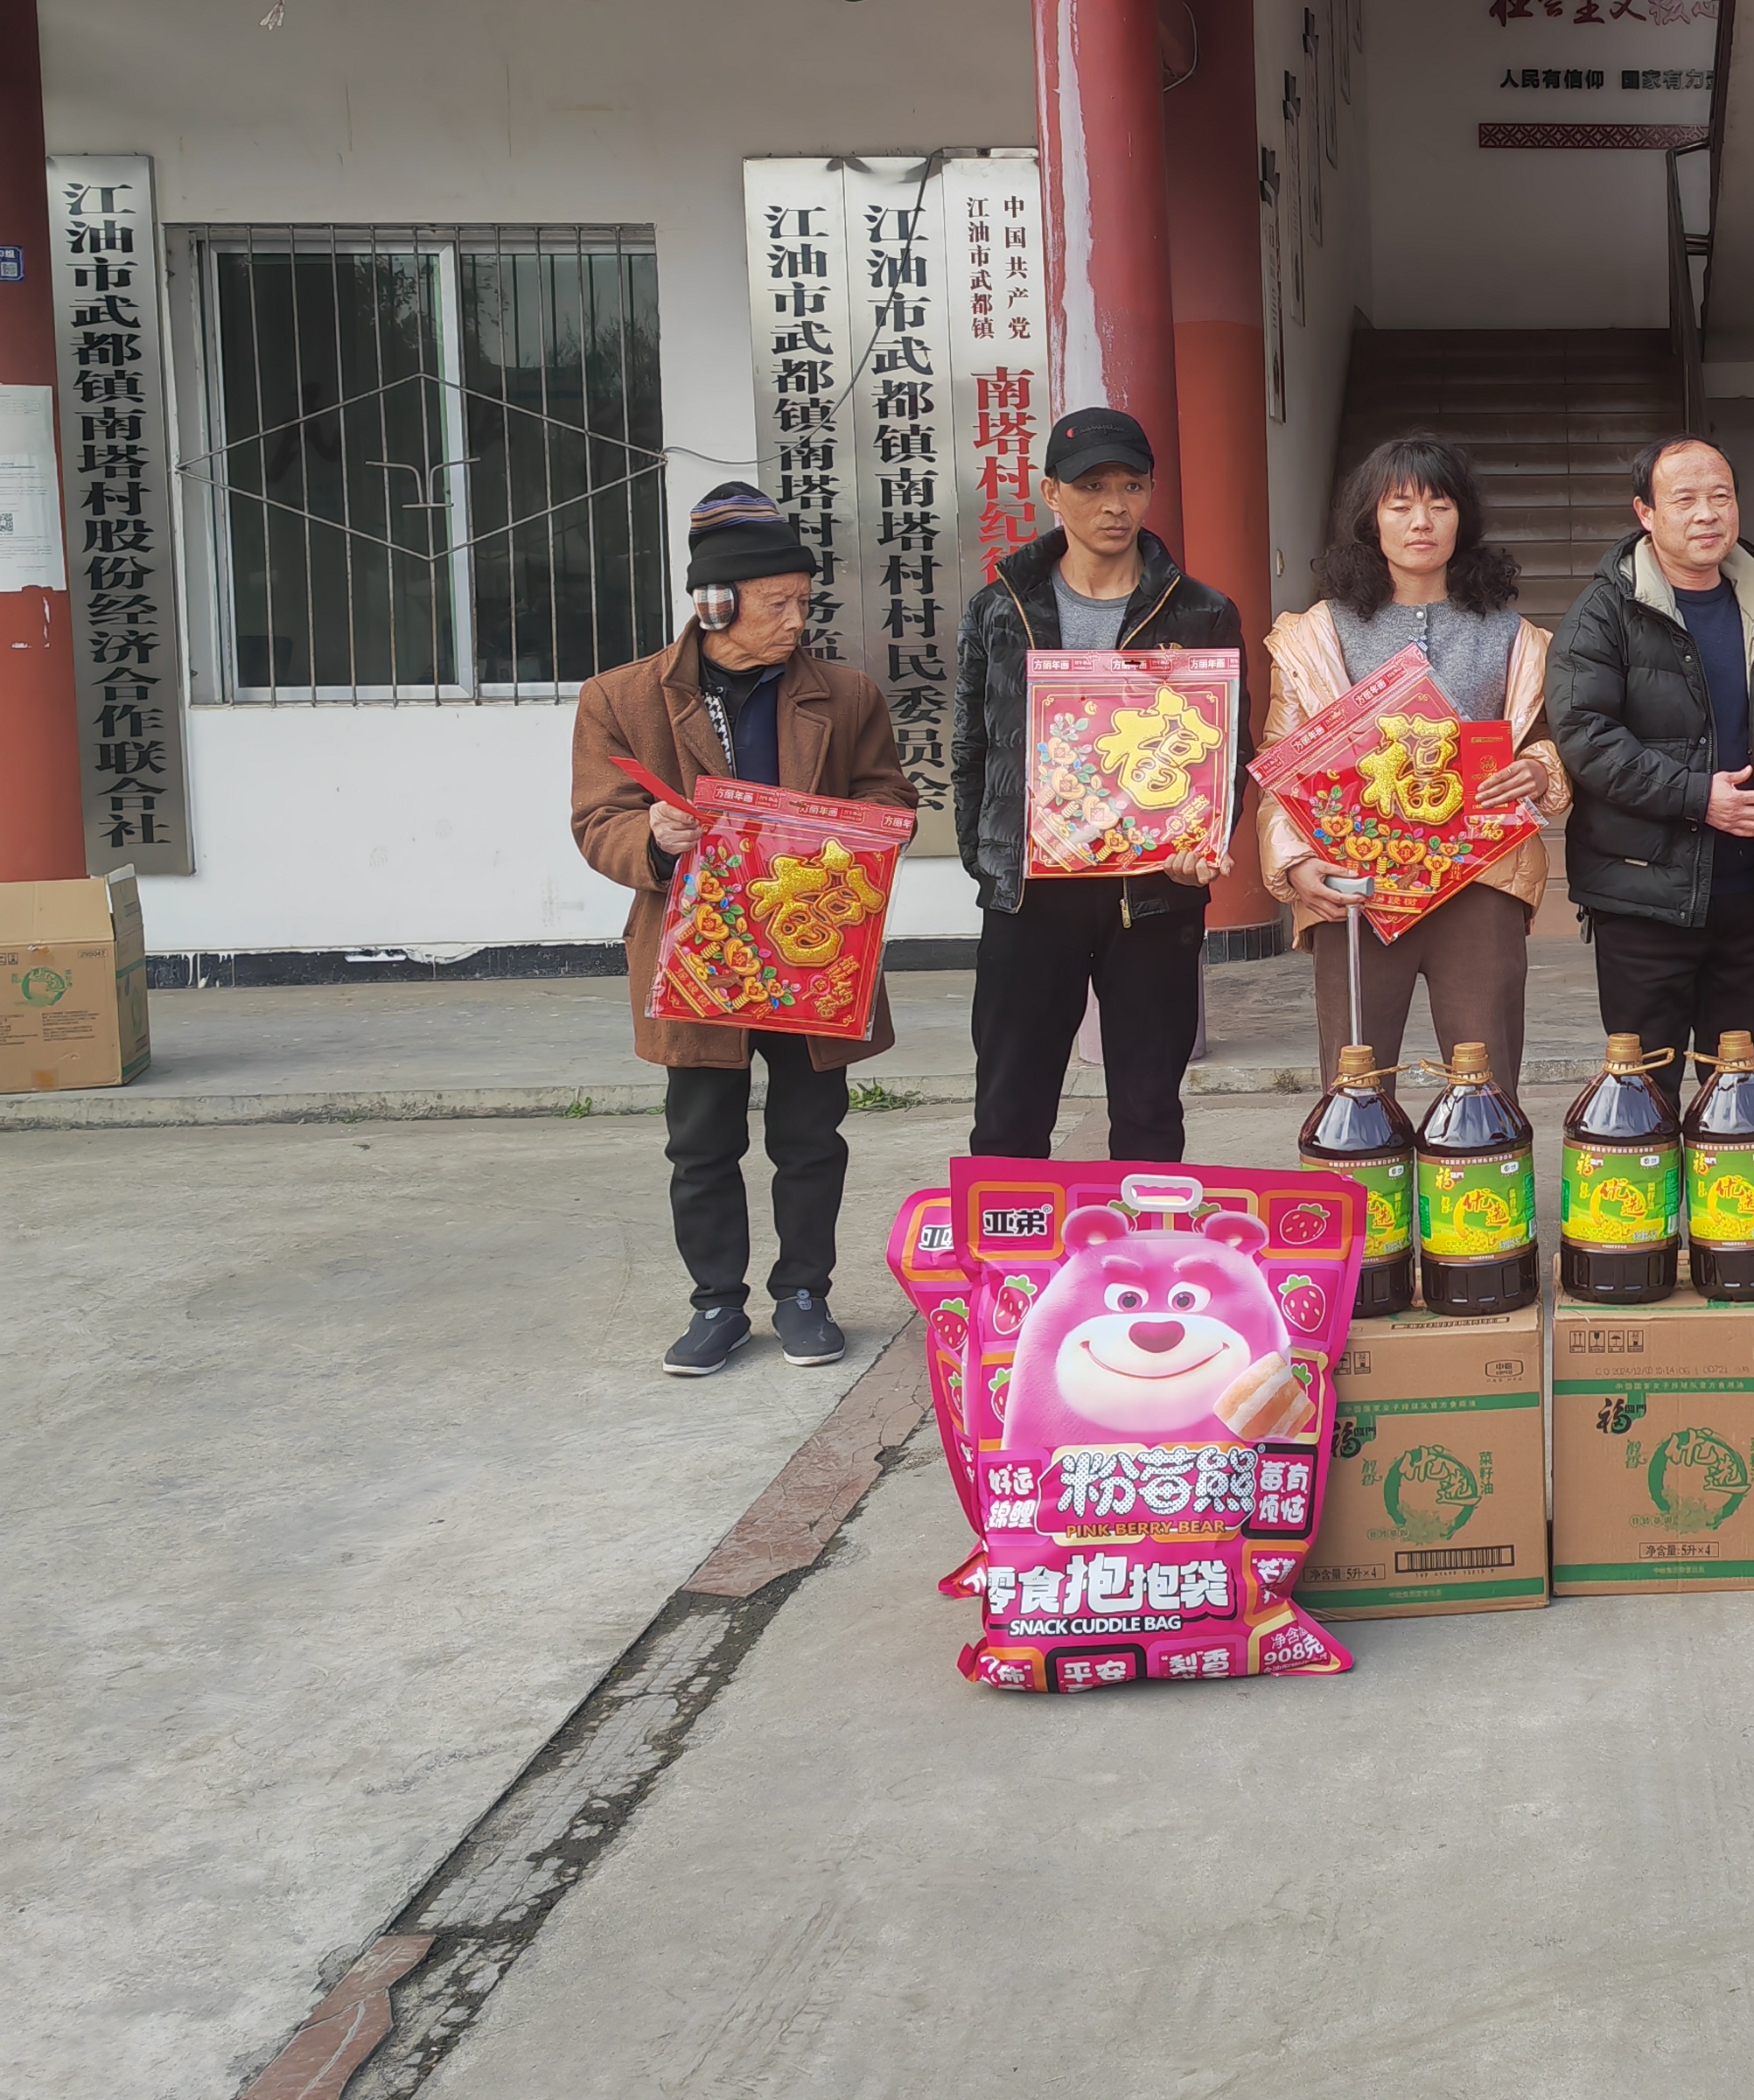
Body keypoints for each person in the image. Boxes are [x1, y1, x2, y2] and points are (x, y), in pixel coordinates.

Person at [570, 483, 913, 1378]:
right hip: (697, 955)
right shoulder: (621, 698)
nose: (798, 622)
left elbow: (888, 795)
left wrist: (864, 830)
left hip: (810, 950)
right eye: (778, 604)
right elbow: (597, 821)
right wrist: (650, 836)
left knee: (811, 1136)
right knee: (700, 1142)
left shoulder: (846, 695)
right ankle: (716, 1304)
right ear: (715, 603)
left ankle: (804, 1294)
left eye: (804, 601)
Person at [951, 405, 1247, 1162]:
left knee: (1149, 1110)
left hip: (1153, 892)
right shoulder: (1001, 607)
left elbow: (1228, 749)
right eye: (1092, 487)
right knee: (1009, 1111)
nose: (1115, 505)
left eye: (1132, 485)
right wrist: (991, 862)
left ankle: (1143, 1238)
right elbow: (972, 747)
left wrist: (1202, 845)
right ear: (1051, 492)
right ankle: (1010, 1241)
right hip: (1030, 894)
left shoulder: (1201, 611)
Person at [1261, 436, 1569, 1093]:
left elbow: (1549, 736)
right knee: (1357, 1090)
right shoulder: (1318, 633)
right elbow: (1281, 759)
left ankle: (1483, 1167)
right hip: (1356, 884)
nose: (1421, 522)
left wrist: (1542, 769)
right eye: (1400, 506)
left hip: (1479, 879)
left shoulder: (1514, 636)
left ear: (1463, 518)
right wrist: (1294, 862)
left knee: (1486, 1086)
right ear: (1371, 519)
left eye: (1440, 504)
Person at [1548, 434, 1754, 1078]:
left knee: (1745, 1090)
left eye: (1721, 497)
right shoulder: (1605, 612)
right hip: (1642, 897)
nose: (1707, 514)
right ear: (1645, 513)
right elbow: (1585, 735)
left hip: (1752, 890)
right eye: (1685, 500)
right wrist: (1698, 797)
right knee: (1642, 1092)